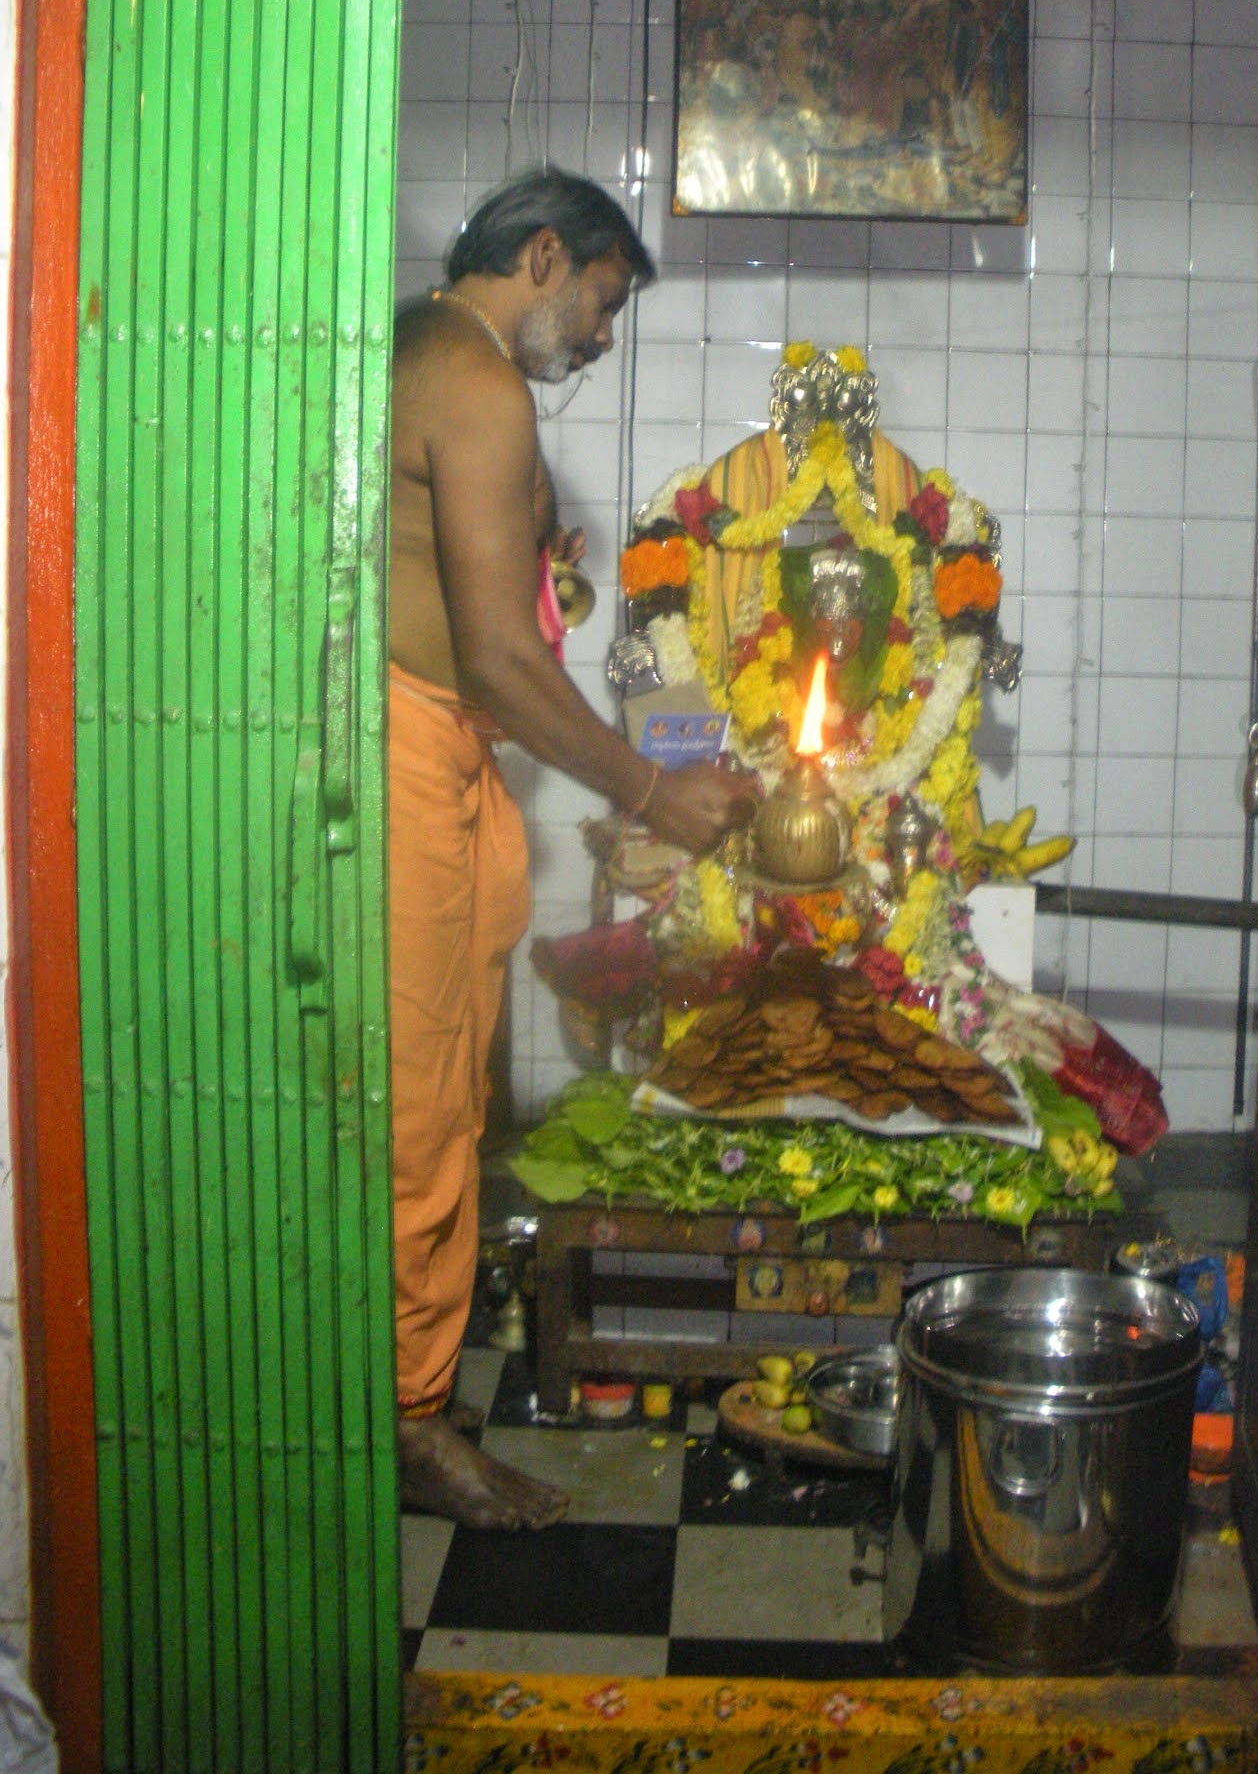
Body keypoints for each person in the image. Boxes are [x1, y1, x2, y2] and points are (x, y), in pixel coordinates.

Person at [389, 169, 758, 1528]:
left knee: (450, 1086)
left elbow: (466, 602)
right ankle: (408, 1422)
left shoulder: (431, 350)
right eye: (602, 302)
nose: (602, 337)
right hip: (412, 745)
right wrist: (654, 794)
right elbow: (493, 656)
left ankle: (415, 1385)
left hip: (447, 751)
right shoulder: (478, 382)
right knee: (421, 1103)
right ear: (544, 256)